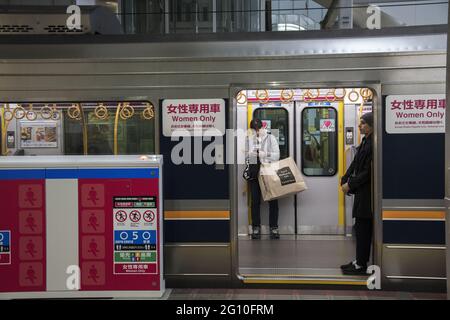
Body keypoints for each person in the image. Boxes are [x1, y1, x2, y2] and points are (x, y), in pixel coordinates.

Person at [340, 112, 374, 275]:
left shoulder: (373, 143)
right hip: (362, 191)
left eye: (363, 123)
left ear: (371, 125)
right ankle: (359, 261)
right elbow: (355, 162)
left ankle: (361, 264)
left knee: (363, 228)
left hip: (368, 194)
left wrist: (350, 184)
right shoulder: (365, 141)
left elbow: (368, 172)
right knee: (360, 227)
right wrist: (345, 178)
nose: (360, 126)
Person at [245, 118, 281, 240]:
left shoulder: (271, 138)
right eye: (253, 129)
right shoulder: (249, 140)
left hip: (268, 172)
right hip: (255, 173)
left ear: (262, 127)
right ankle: (256, 227)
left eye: (258, 129)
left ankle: (274, 227)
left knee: (273, 200)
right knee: (255, 201)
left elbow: (277, 155)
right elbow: (246, 156)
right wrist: (250, 154)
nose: (256, 131)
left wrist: (264, 154)